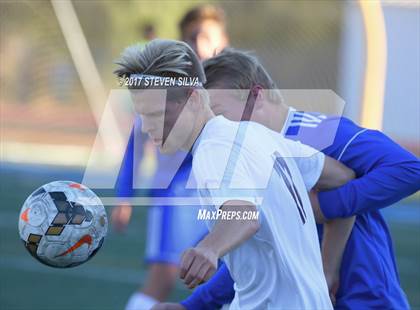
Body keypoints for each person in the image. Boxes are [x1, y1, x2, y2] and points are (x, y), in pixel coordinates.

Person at [156, 49, 420, 309]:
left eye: (218, 112)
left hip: (367, 298)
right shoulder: (247, 156)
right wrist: (193, 305)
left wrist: (323, 206)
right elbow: (262, 256)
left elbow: (409, 169)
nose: (212, 124)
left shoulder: (321, 132)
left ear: (257, 96)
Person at [114, 39, 357, 309]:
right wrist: (326, 267)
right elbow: (342, 178)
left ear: (194, 99)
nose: (147, 127)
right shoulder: (260, 135)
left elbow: (243, 215)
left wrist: (209, 248)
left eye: (157, 114)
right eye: (143, 116)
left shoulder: (213, 149)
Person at [114, 5, 229, 309]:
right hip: (176, 196)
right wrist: (125, 195)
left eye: (210, 38)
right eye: (195, 39)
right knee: (163, 279)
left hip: (223, 198)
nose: (204, 46)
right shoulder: (165, 89)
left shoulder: (235, 84)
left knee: (238, 277)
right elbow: (137, 142)